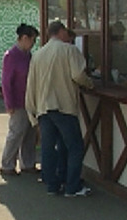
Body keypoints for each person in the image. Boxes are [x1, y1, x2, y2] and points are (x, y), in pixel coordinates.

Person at [25, 20, 94, 197]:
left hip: (43, 108)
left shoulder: (38, 55)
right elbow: (78, 74)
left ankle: (52, 185)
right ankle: (72, 186)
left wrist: (32, 112)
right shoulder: (69, 50)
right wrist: (90, 84)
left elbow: (30, 85)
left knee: (49, 147)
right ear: (62, 32)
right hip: (64, 106)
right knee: (74, 147)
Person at [0, 23, 39, 177]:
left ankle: (28, 163)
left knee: (30, 133)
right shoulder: (11, 56)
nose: (33, 44)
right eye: (32, 40)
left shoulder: (28, 55)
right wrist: (9, 103)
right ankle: (7, 164)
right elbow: (6, 82)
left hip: (29, 100)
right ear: (24, 38)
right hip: (17, 101)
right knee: (16, 133)